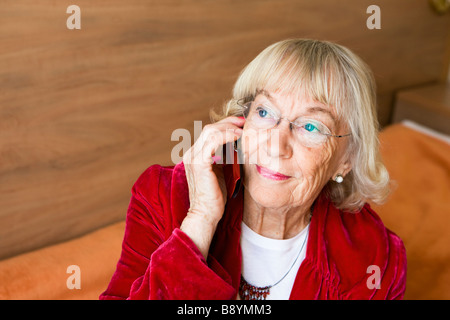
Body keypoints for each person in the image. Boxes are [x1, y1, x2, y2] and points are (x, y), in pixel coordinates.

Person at [100, 39, 406, 300]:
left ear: (346, 158)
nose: (276, 145)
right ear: (239, 122)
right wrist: (200, 219)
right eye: (264, 112)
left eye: (311, 126)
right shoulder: (162, 195)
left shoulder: (377, 258)